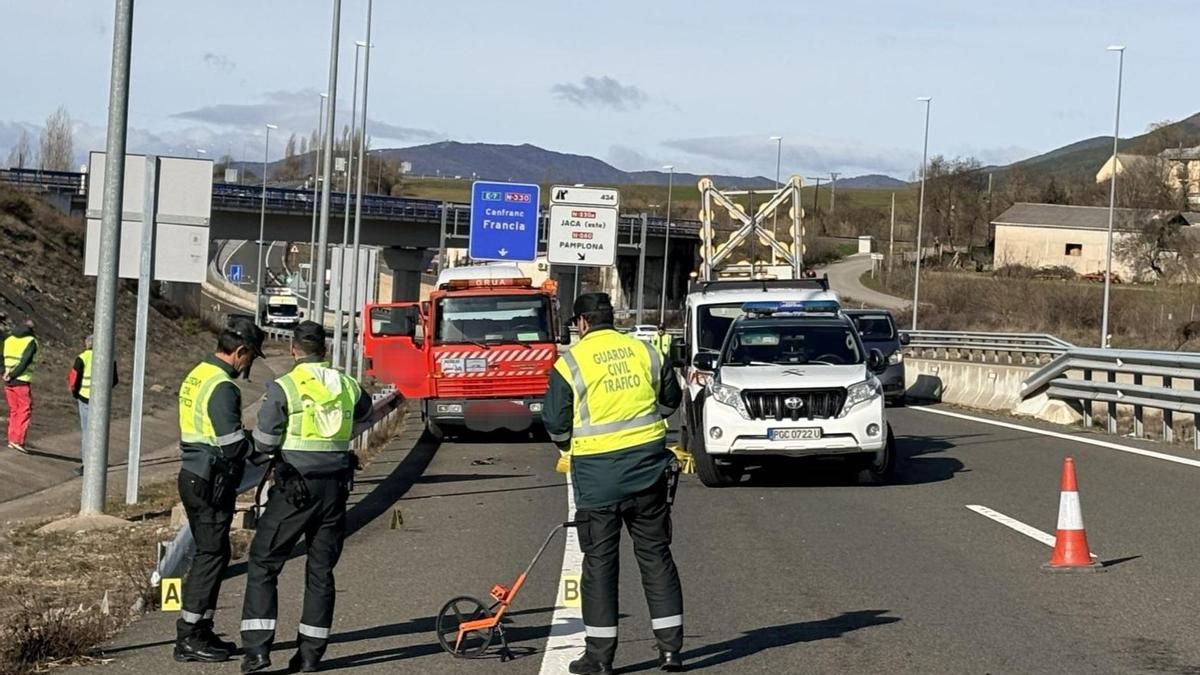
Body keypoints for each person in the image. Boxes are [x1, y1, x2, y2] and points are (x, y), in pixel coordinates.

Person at [542, 293, 685, 674]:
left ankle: (600, 659)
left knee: (600, 566)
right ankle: (670, 652)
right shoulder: (645, 352)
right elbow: (671, 399)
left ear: (582, 323)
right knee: (656, 556)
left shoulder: (570, 363)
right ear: (611, 318)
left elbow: (555, 423)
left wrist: (572, 446)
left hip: (598, 480)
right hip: (648, 473)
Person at [240, 321, 373, 674]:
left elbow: (266, 442)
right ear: (324, 351)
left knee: (264, 562)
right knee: (320, 570)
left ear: (294, 350)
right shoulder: (348, 385)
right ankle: (311, 654)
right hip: (335, 487)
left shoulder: (285, 387)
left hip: (294, 488)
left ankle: (257, 649)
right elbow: (365, 416)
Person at [174, 318, 265, 663]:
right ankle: (189, 636)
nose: (249, 365)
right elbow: (231, 445)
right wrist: (261, 446)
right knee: (211, 555)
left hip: (194, 473)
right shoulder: (224, 388)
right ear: (240, 352)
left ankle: (202, 628)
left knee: (214, 553)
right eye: (251, 357)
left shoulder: (198, 373)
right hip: (210, 478)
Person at [69, 335, 119, 476]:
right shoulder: (110, 357)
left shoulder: (82, 358)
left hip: (85, 399)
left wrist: (75, 393)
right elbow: (114, 380)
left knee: (87, 433)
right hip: (102, 401)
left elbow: (73, 379)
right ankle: (99, 463)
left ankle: (87, 465)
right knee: (100, 431)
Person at [3, 320, 39, 453]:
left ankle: (12, 439)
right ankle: (18, 440)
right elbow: (25, 361)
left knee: (14, 410)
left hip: (8, 380)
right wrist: (13, 374)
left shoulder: (9, 339)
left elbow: (2, 357)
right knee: (24, 410)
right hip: (21, 380)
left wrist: (5, 373)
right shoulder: (31, 341)